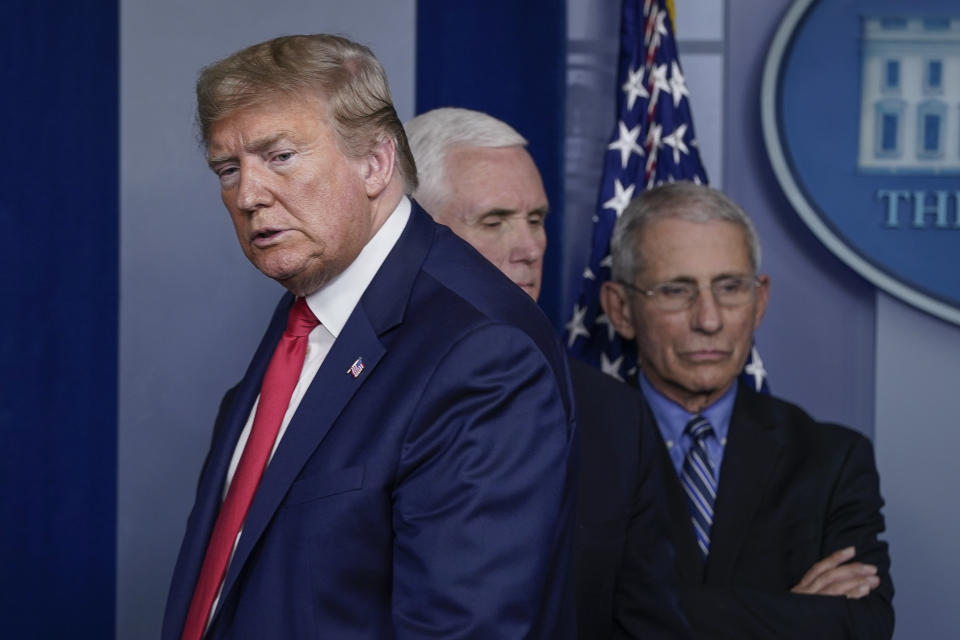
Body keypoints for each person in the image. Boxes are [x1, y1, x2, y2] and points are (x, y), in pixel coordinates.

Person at [162, 36, 577, 640]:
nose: (248, 195)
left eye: (279, 156)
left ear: (376, 163)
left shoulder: (482, 351)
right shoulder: (311, 295)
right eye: (229, 169)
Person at [405, 107, 691, 639]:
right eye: (495, 221)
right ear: (412, 235)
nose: (531, 247)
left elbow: (649, 623)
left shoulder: (613, 415)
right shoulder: (333, 392)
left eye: (536, 219)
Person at [599, 181, 894, 639]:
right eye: (677, 290)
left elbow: (865, 624)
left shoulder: (832, 458)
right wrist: (792, 615)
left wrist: (642, 606)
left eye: (730, 287)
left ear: (759, 301)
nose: (709, 320)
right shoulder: (576, 449)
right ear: (620, 309)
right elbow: (575, 617)